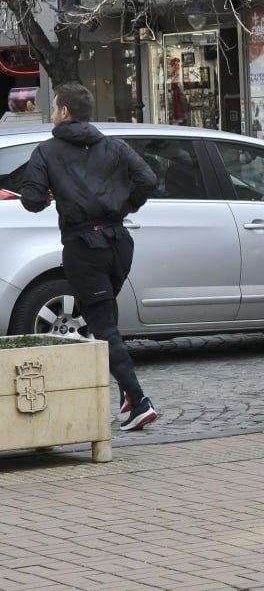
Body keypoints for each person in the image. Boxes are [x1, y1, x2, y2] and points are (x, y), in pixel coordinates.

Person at [19, 82, 159, 431]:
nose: (52, 115)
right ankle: (127, 396)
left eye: (53, 109)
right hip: (119, 242)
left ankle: (139, 401)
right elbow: (148, 181)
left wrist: (51, 194)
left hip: (84, 246)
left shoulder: (47, 152)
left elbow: (31, 200)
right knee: (105, 317)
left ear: (64, 112)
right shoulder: (113, 146)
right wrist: (124, 205)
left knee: (102, 325)